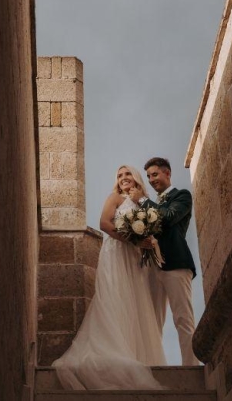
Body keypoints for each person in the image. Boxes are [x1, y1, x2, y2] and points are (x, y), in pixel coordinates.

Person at [52, 165, 167, 390]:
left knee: (134, 301)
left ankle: (134, 353)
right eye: (119, 175)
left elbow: (153, 230)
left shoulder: (144, 203)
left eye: (127, 174)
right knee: (114, 295)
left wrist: (146, 242)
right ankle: (112, 348)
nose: (123, 178)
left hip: (134, 259)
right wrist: (133, 239)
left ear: (136, 178)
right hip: (116, 253)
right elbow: (105, 223)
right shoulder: (115, 198)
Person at [137, 157, 199, 366]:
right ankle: (154, 365)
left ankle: (191, 368)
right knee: (152, 320)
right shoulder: (151, 204)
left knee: (183, 318)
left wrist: (144, 201)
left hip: (176, 264)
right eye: (148, 176)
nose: (151, 179)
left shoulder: (182, 196)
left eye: (155, 174)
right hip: (152, 267)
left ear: (167, 173)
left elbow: (167, 218)